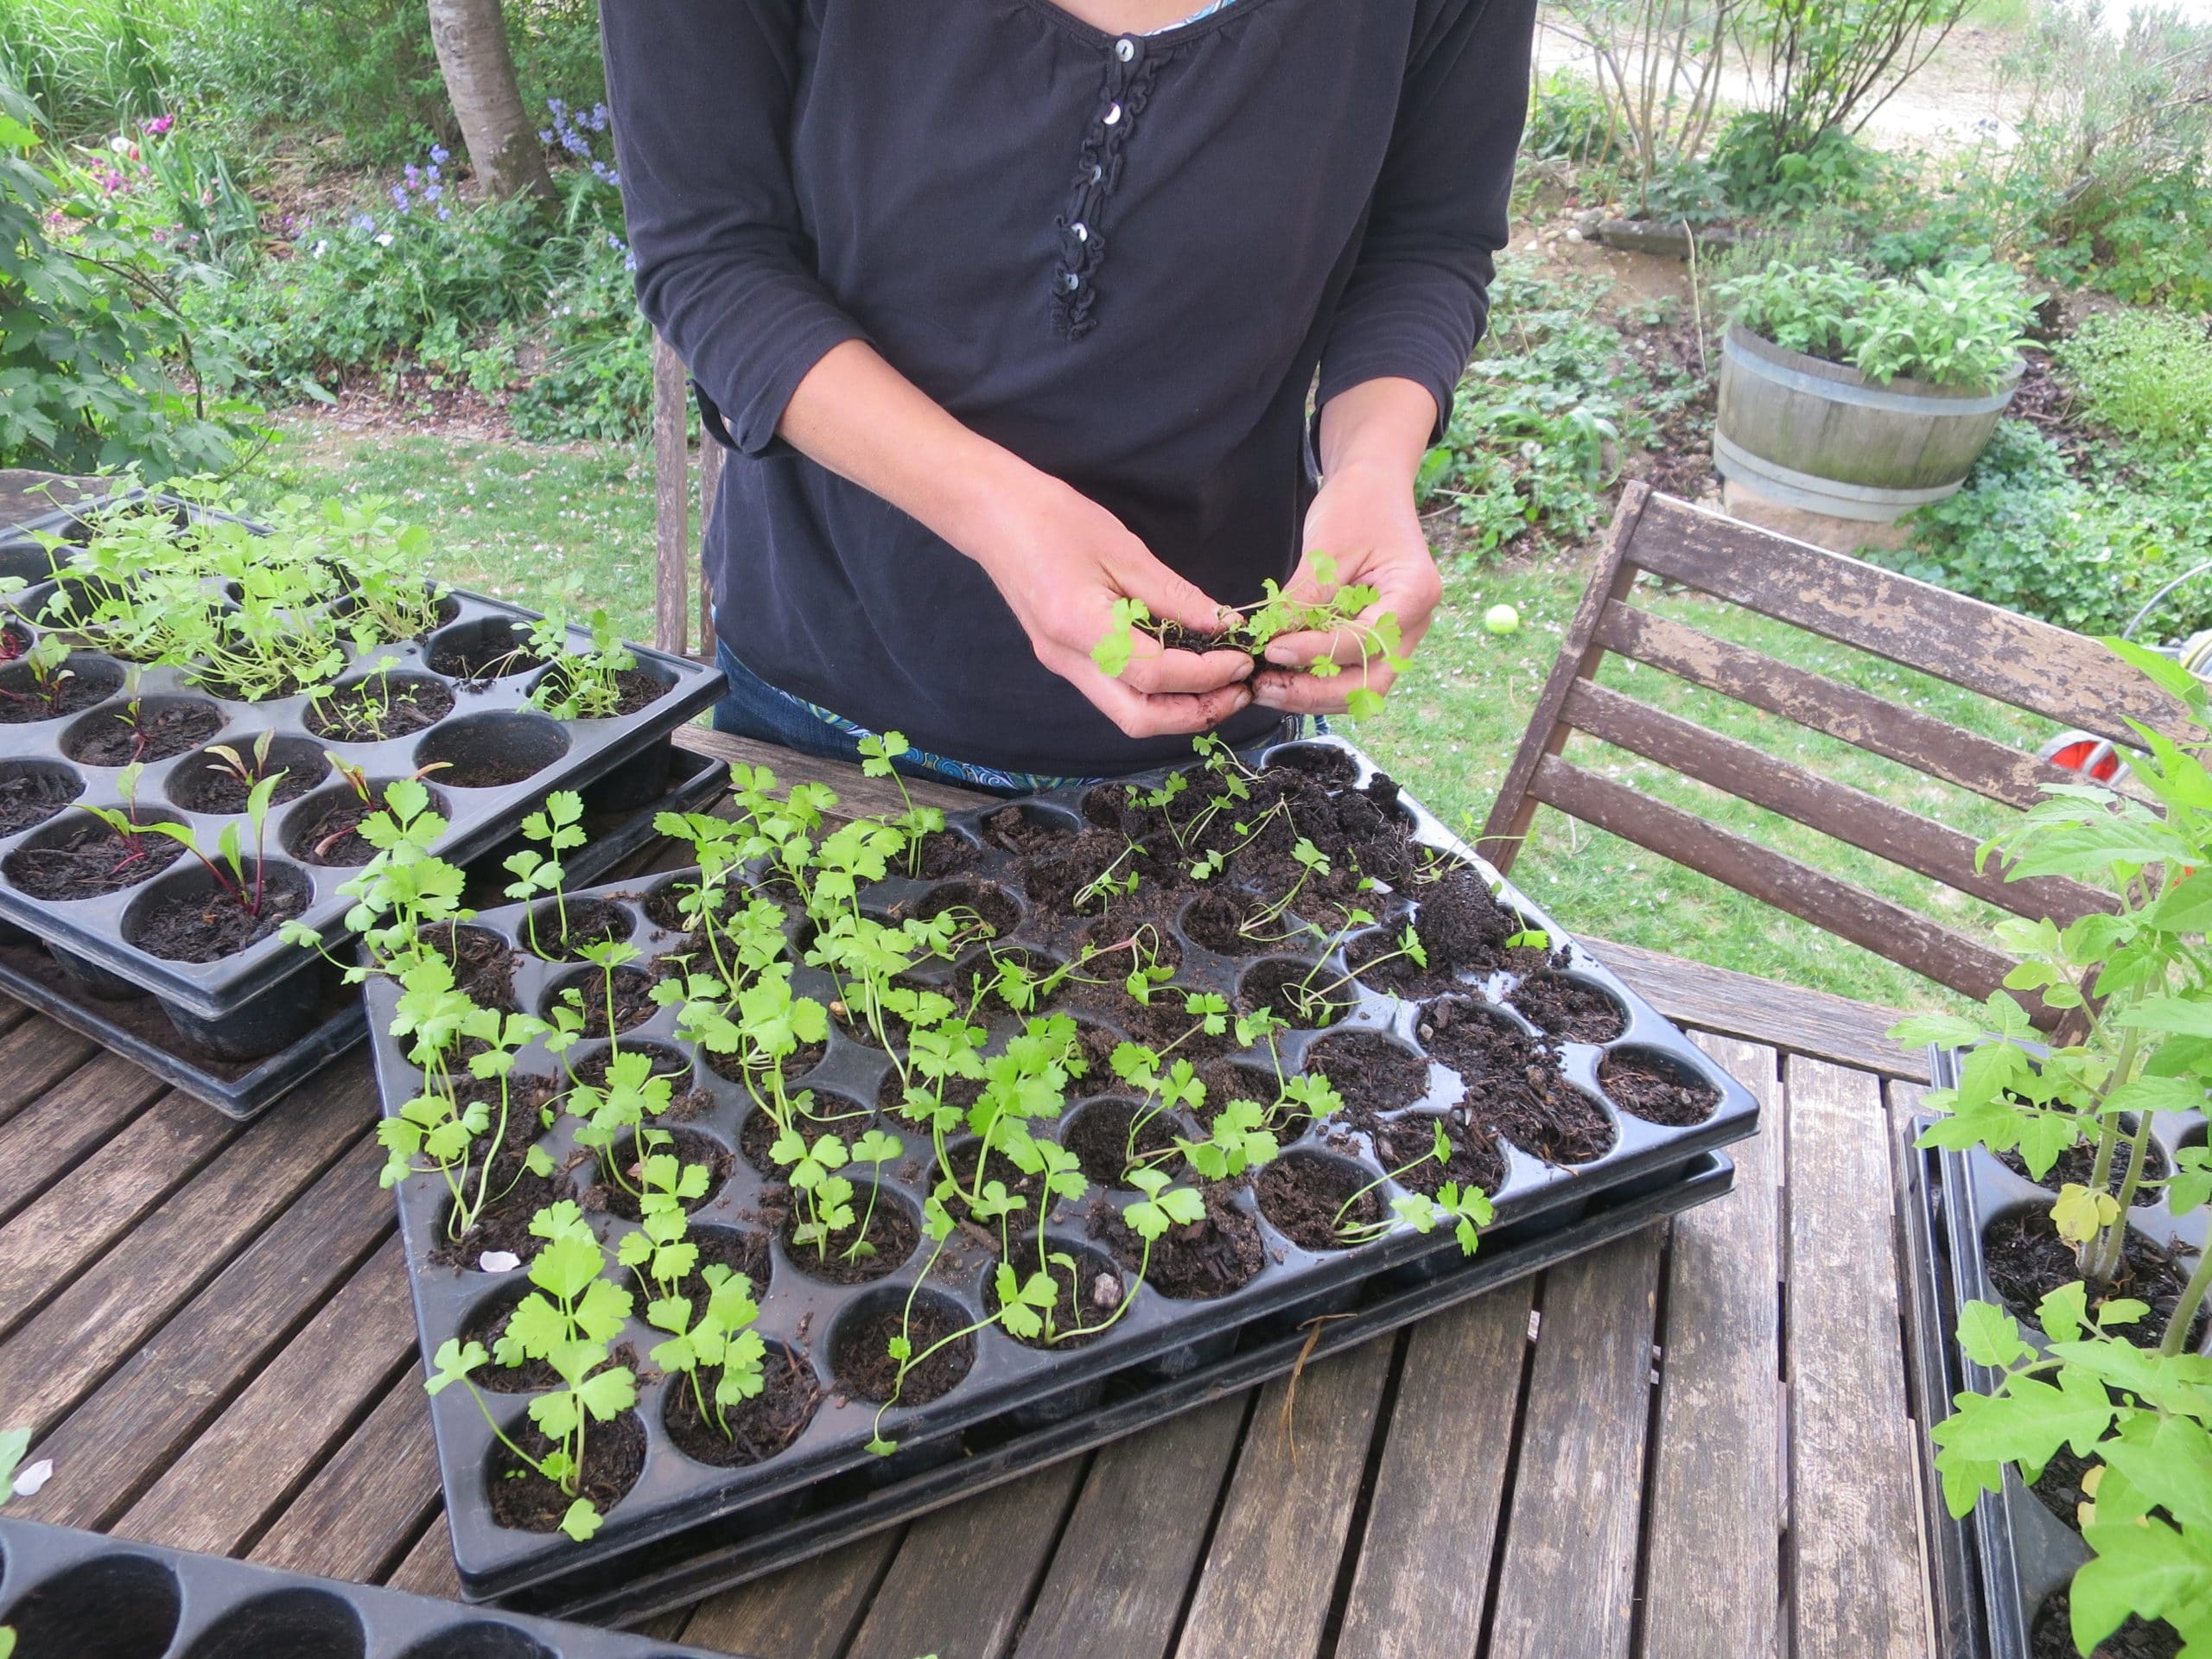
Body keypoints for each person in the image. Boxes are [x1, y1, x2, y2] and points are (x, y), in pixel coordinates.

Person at [604, 0, 1535, 792]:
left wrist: (1371, 467)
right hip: (817, 702)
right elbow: (713, 253)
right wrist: (995, 511)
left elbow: (1425, 244)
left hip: (1212, 724)